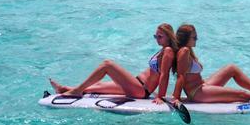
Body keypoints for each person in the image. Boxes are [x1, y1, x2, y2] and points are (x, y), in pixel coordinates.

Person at [170, 24, 250, 105]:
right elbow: (181, 76)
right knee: (241, 94)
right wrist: (176, 98)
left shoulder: (188, 51)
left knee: (231, 68)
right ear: (186, 38)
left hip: (202, 86)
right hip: (197, 93)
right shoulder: (184, 51)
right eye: (194, 37)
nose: (196, 39)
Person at [49, 24, 178, 103]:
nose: (157, 39)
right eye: (155, 36)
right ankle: (64, 89)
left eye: (160, 37)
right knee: (98, 85)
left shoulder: (168, 51)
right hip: (137, 84)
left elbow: (164, 75)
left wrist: (161, 97)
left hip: (141, 89)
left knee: (107, 64)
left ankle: (75, 91)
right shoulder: (163, 50)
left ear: (168, 36)